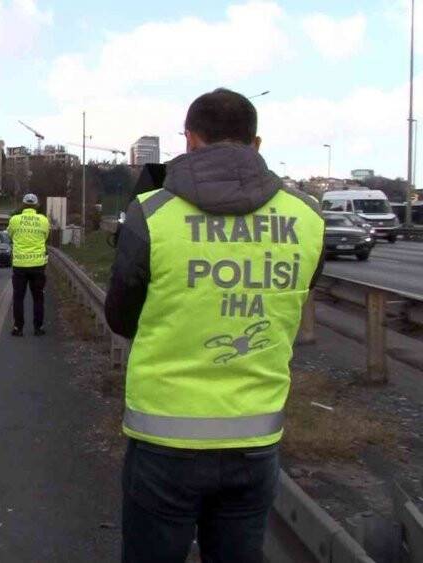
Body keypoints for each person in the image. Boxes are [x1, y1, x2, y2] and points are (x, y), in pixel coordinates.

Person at [105, 88, 324, 563]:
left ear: (189, 139)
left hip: (164, 441)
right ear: (256, 143)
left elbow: (120, 316)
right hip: (254, 441)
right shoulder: (308, 218)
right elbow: (300, 294)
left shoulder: (151, 213)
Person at [7, 193, 50, 336]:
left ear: (23, 205)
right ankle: (38, 328)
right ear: (36, 205)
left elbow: (10, 235)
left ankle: (18, 328)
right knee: (38, 298)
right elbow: (45, 237)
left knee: (18, 298)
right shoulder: (43, 220)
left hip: (20, 265)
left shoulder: (14, 220)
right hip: (38, 265)